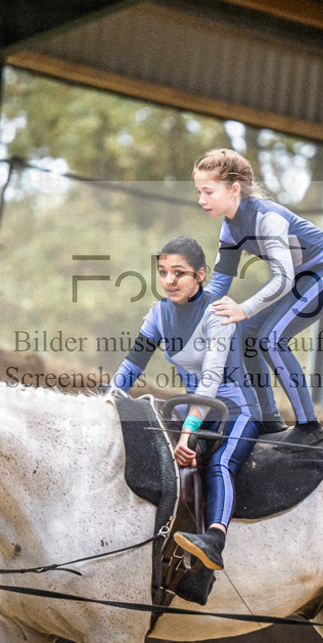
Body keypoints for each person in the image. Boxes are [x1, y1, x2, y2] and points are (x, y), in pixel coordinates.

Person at [112, 236, 261, 571]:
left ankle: (214, 540)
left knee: (220, 462)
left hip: (235, 409)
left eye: (179, 273)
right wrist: (106, 402)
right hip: (192, 404)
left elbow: (210, 382)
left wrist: (187, 433)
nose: (169, 280)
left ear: (200, 275)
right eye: (163, 272)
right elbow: (132, 366)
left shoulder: (219, 311)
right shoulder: (158, 314)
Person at [195, 148, 323, 448]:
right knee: (244, 334)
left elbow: (282, 278)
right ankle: (269, 419)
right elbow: (220, 282)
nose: (201, 199)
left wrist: (243, 308)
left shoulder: (267, 218)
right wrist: (180, 308)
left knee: (270, 338)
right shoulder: (230, 226)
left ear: (234, 189)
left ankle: (310, 427)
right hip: (304, 275)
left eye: (208, 191)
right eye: (199, 191)